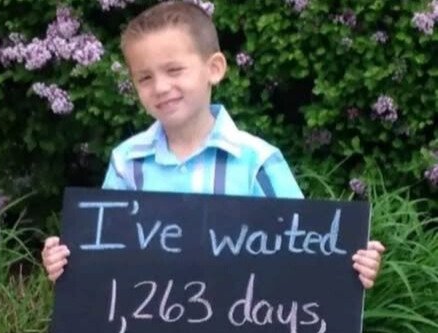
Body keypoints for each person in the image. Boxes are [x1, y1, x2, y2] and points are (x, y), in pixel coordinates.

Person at [42, 0, 384, 284]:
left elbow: (307, 249)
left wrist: (353, 264)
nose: (160, 87)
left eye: (174, 70)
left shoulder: (256, 162)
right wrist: (68, 263)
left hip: (243, 331)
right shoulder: (127, 164)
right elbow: (105, 253)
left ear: (215, 68)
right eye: (144, 78)